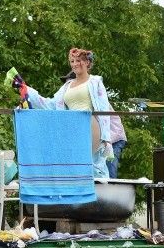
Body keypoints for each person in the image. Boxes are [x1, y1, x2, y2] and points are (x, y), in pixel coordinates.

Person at [25, 48, 113, 178]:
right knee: (72, 164)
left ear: (87, 62)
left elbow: (103, 109)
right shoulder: (67, 86)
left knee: (90, 164)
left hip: (88, 125)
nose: (75, 64)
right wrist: (27, 90)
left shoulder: (95, 82)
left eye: (79, 60)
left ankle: (97, 193)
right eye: (72, 61)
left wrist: (106, 138)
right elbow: (50, 104)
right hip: (70, 127)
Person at [59, 69, 127, 178]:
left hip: (114, 138)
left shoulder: (94, 99)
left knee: (108, 170)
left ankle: (109, 192)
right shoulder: (73, 103)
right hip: (98, 139)